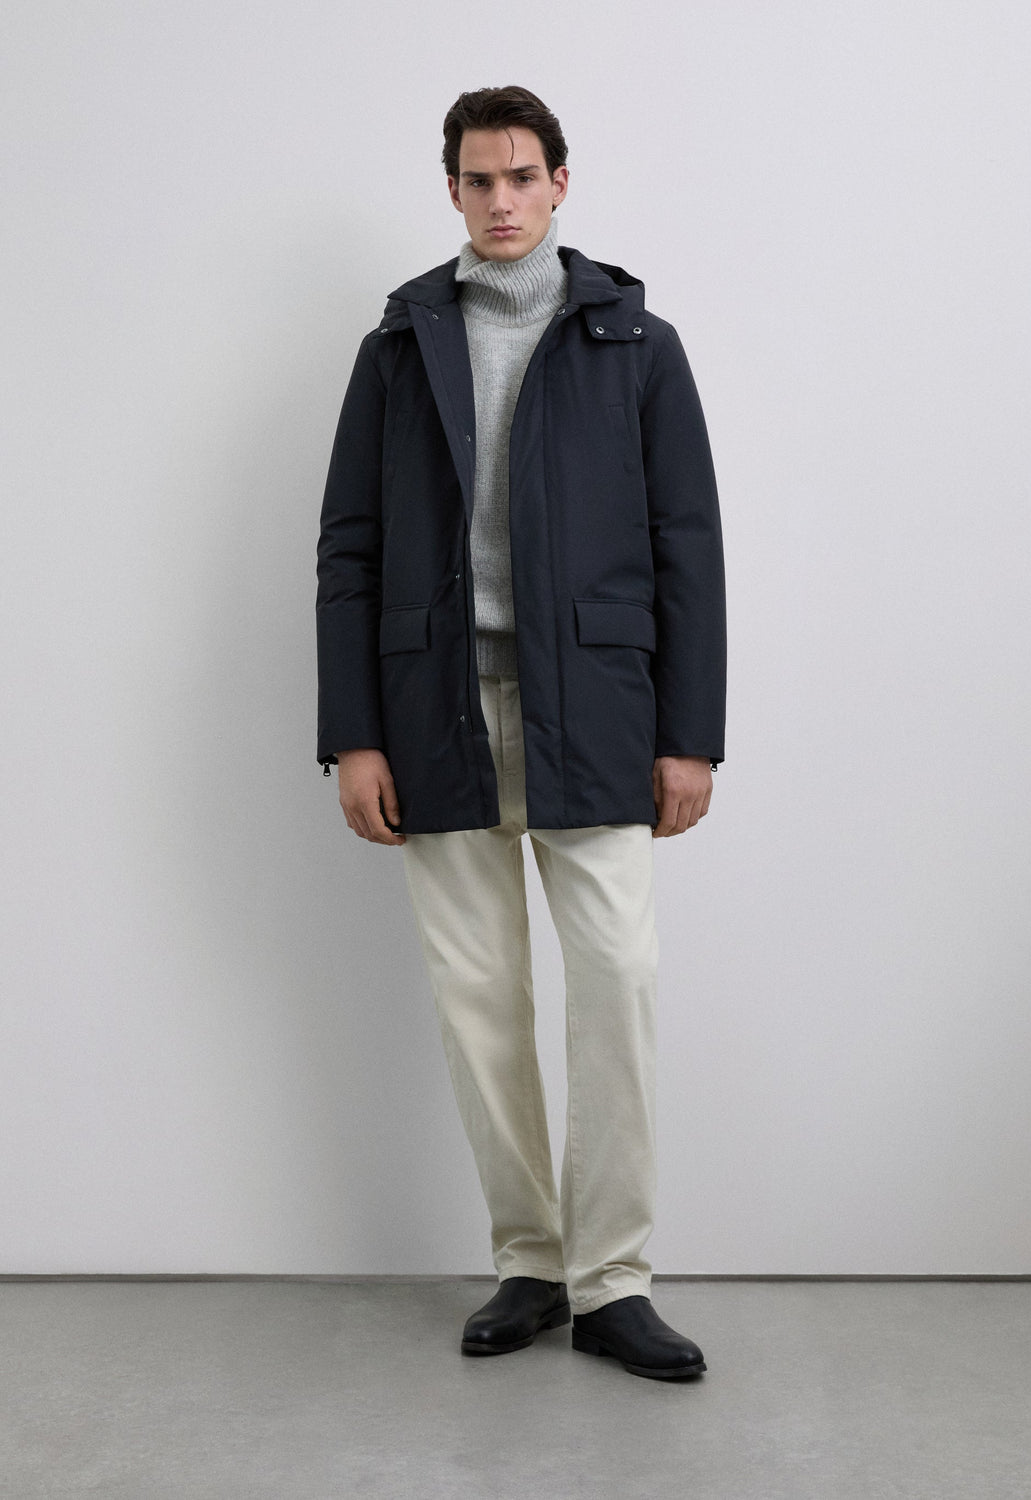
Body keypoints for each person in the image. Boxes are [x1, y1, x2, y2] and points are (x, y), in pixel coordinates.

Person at [316, 85, 726, 1381]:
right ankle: (532, 1263)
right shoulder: (398, 344)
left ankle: (614, 1281)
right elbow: (348, 548)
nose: (501, 200)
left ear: (559, 182)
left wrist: (691, 737)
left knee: (616, 984)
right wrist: (354, 736)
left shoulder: (632, 341)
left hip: (595, 708)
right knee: (479, 1000)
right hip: (436, 710)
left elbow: (687, 546)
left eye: (521, 176)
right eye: (478, 180)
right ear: (452, 189)